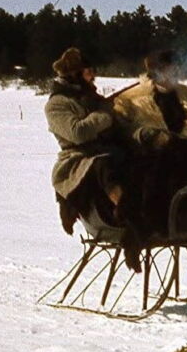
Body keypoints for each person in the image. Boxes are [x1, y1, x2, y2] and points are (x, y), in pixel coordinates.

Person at [44, 47, 128, 234]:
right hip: (78, 158)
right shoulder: (56, 104)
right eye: (88, 71)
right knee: (104, 165)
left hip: (106, 148)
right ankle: (125, 210)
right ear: (74, 73)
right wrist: (105, 115)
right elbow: (78, 133)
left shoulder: (90, 97)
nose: (93, 76)